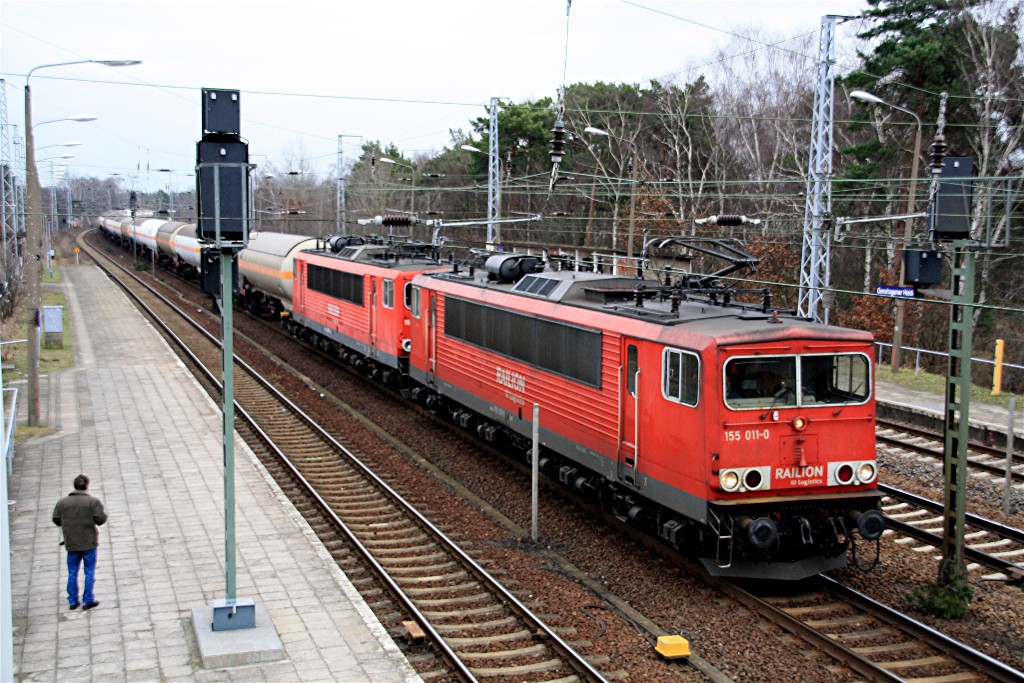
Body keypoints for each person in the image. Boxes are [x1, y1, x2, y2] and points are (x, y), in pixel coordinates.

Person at [52, 474, 107, 610]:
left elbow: (56, 519)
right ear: (87, 486)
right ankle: (88, 600)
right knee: (89, 571)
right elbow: (100, 520)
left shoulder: (63, 502)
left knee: (72, 572)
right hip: (89, 542)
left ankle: (72, 600)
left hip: (71, 542)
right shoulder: (93, 502)